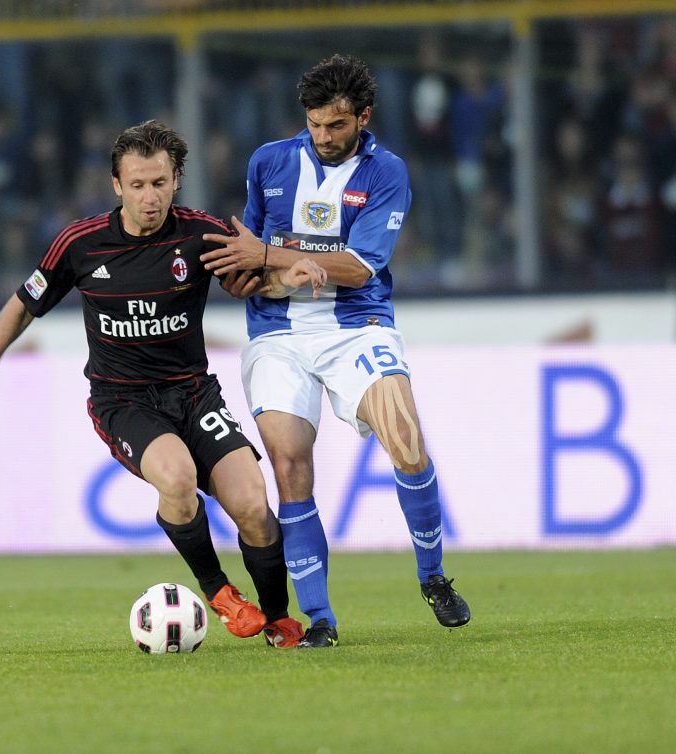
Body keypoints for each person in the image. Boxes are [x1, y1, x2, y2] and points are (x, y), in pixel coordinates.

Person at [0, 120, 327, 649]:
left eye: (160, 183)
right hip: (124, 401)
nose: (151, 197)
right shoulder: (81, 244)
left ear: (176, 181)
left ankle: (278, 617)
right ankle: (218, 590)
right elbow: (21, 307)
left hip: (194, 395)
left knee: (253, 505)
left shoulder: (200, 234)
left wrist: (288, 276)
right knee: (177, 478)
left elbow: (253, 281)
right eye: (138, 185)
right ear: (116, 185)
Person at [200, 54, 472, 648]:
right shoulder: (268, 162)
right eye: (315, 124)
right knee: (290, 466)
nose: (324, 137)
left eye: (337, 125)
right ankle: (320, 618)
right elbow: (246, 258)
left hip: (357, 326)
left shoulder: (387, 172)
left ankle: (433, 577)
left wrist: (272, 258)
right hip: (278, 334)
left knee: (406, 439)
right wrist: (249, 275)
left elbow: (357, 267)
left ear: (363, 118)